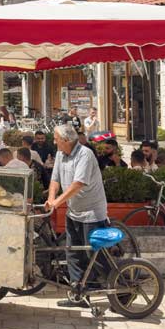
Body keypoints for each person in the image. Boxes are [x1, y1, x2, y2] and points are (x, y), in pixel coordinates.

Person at [44, 123, 108, 307]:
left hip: (91, 212)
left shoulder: (85, 154)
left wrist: (58, 202)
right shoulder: (60, 154)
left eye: (56, 139)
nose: (54, 142)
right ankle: (78, 294)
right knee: (72, 253)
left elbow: (78, 184)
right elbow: (55, 179)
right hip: (74, 211)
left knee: (96, 255)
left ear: (66, 140)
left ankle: (121, 292)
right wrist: (51, 198)